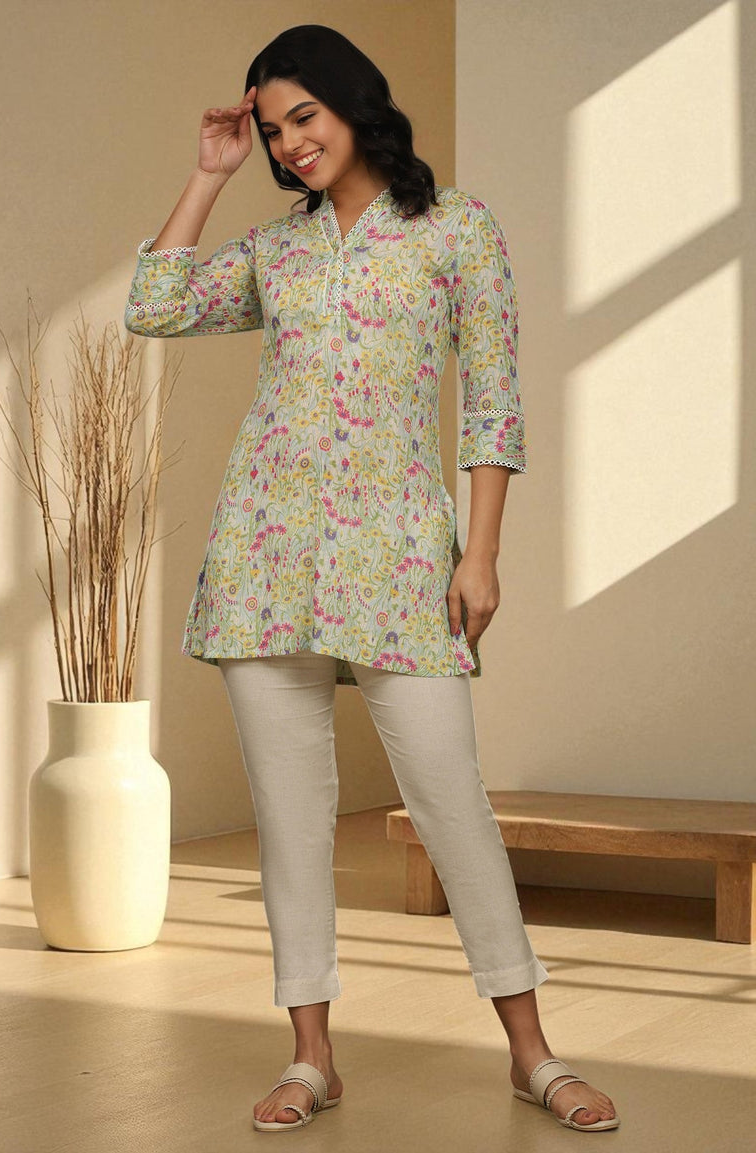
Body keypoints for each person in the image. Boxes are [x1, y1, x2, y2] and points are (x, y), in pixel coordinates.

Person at [124, 24, 619, 1135]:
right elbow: (153, 303)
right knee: (290, 817)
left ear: (353, 102)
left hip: (398, 557)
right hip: (264, 559)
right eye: (270, 130)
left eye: (302, 116)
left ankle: (532, 1053)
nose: (288, 144)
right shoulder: (279, 249)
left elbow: (492, 400)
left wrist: (480, 553)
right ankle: (311, 1058)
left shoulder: (455, 229)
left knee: (451, 804)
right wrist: (207, 174)